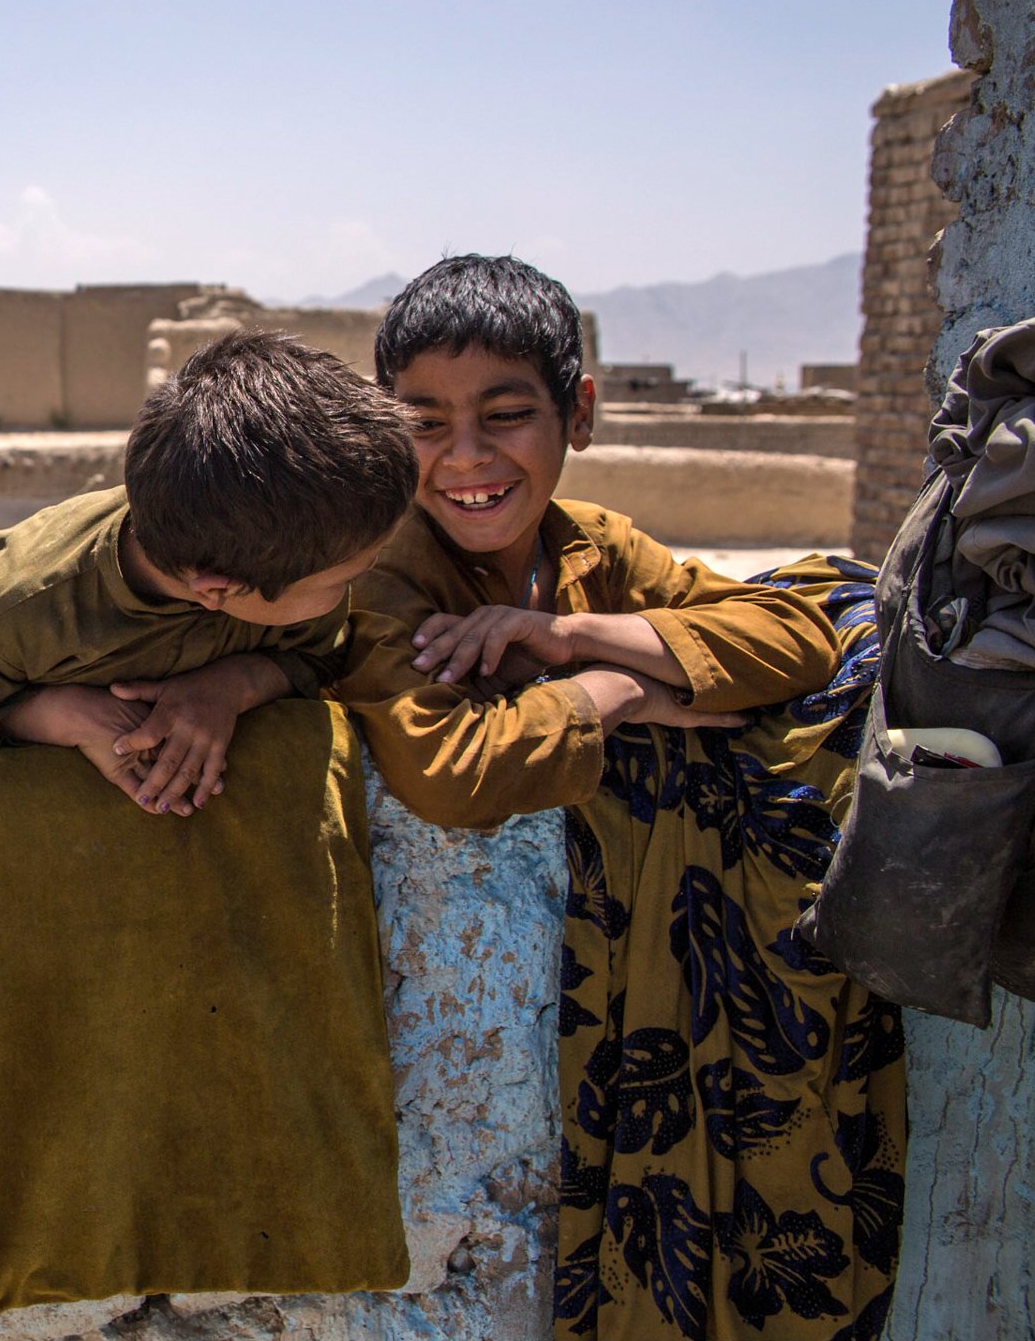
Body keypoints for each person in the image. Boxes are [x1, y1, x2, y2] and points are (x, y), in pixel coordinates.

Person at [336, 254, 904, 1340]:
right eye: (425, 423)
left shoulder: (592, 547)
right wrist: (622, 688)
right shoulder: (387, 578)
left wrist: (567, 636)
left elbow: (795, 633)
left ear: (579, 413)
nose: (466, 459)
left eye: (506, 415)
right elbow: (458, 775)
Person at [0, 329, 416, 815]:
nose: (353, 588)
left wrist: (229, 687)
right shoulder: (18, 614)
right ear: (216, 590)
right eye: (343, 582)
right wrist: (55, 716)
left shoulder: (290, 548)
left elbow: (323, 655)